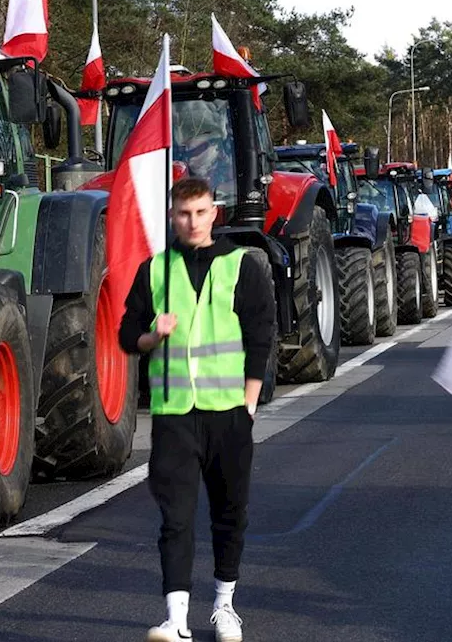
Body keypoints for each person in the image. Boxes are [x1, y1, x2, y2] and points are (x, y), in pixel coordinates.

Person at [118, 177, 276, 642]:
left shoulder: (240, 266)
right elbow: (128, 336)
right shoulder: (155, 270)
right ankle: (176, 618)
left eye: (200, 212)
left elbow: (260, 335)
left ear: (214, 213)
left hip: (228, 413)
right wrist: (153, 334)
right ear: (173, 216)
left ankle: (225, 607)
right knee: (177, 518)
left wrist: (249, 403)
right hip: (174, 416)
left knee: (230, 513)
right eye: (183, 214)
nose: (192, 221)